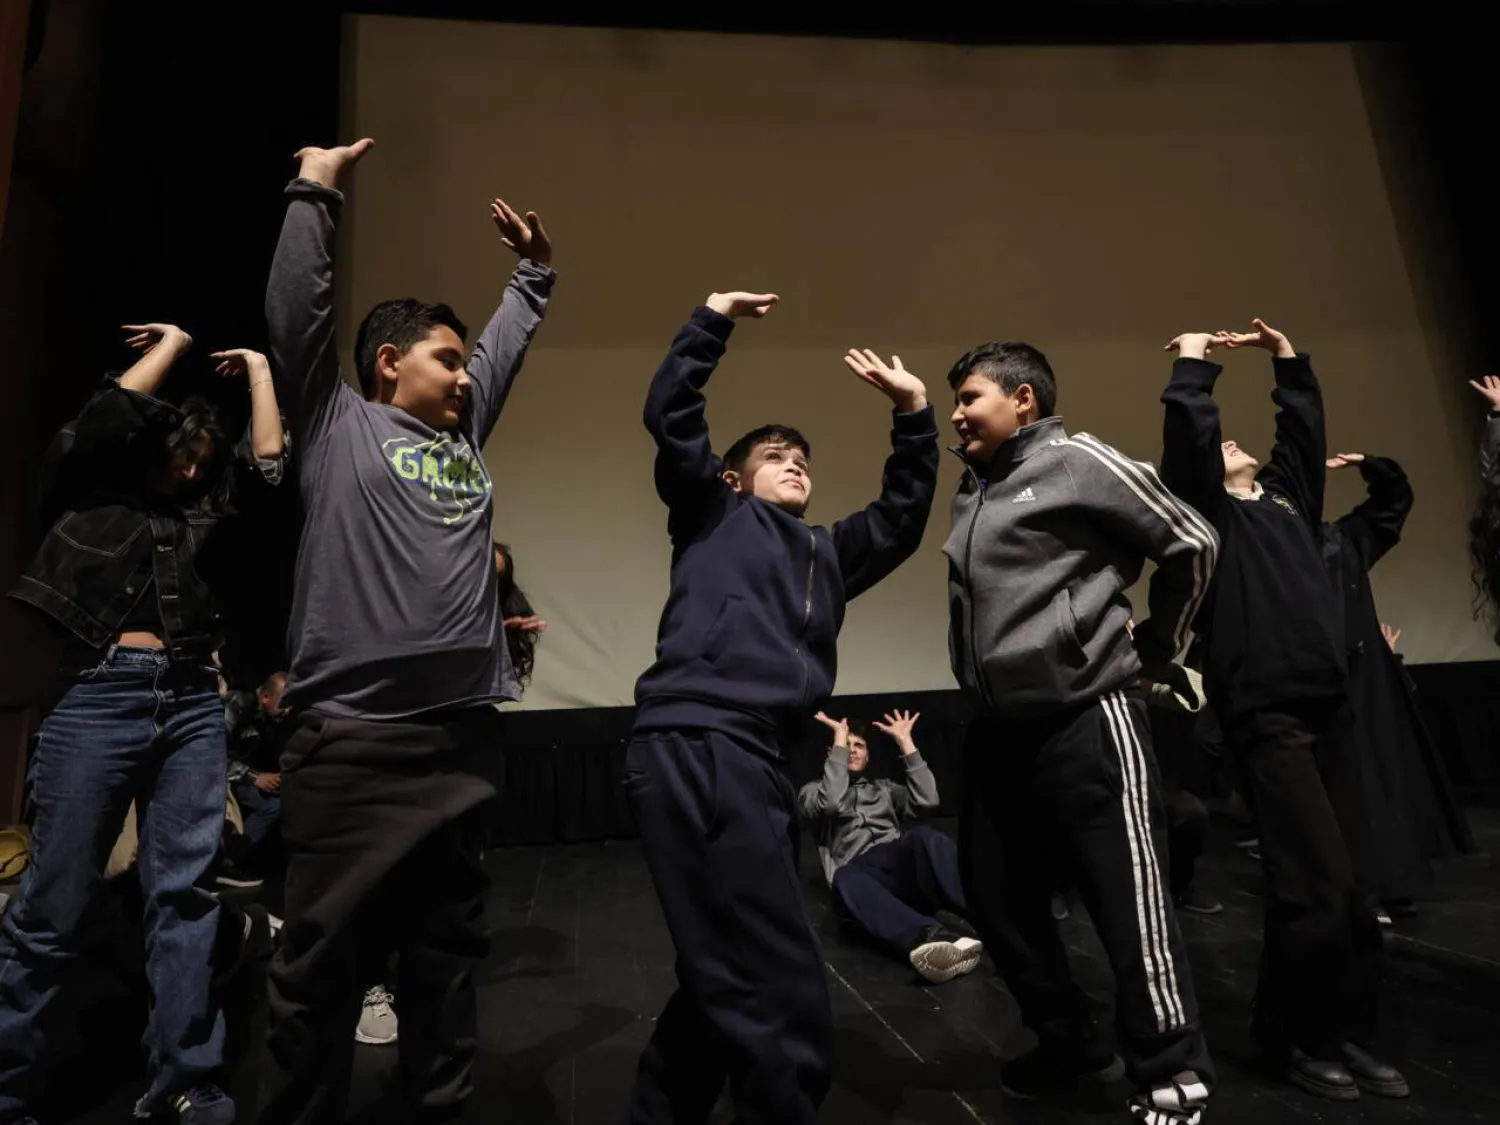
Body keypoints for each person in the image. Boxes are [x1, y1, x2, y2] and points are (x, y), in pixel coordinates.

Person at [258, 138, 556, 1125]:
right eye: (444, 358)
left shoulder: (464, 437)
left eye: (465, 363)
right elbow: (295, 316)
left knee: (444, 972)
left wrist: (536, 272)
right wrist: (316, 188)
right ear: (389, 363)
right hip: (353, 745)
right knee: (319, 980)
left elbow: (504, 349)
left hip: (460, 741)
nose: (465, 376)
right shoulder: (340, 425)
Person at [625, 292, 939, 1124]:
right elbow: (671, 412)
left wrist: (914, 415)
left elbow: (904, 519)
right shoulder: (711, 512)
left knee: (720, 962)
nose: (796, 462)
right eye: (775, 454)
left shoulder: (828, 553)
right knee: (774, 965)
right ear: (735, 477)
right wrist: (710, 319)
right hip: (692, 739)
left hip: (758, 754)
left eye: (803, 456)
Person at [0, 326, 286, 1125]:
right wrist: (176, 345)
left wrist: (260, 369)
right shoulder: (90, 489)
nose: (191, 469)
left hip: (193, 696)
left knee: (186, 896)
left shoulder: (200, 520)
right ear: (154, 448)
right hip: (99, 694)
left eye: (202, 460)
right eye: (181, 454)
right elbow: (111, 410)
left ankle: (185, 1077)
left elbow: (267, 468)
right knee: (53, 903)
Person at [944, 340, 1217, 1124]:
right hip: (998, 728)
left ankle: (1174, 1071)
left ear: (1023, 398)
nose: (957, 413)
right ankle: (1070, 1045)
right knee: (995, 900)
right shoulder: (975, 488)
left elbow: (1193, 542)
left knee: (1129, 897)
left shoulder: (1079, 458)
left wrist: (1160, 649)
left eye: (969, 397)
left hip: (1088, 713)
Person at [1161, 321, 1404, 1101]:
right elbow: (1188, 447)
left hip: (1328, 706)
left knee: (1359, 888)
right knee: (1317, 885)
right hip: (1265, 713)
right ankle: (1305, 1034)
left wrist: (1287, 354)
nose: (1233, 446)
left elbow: (1303, 431)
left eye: (1237, 443)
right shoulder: (1212, 519)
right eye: (1222, 445)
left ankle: (1348, 1031)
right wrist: (1195, 364)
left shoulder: (1290, 504)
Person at [356, 542, 548, 1051]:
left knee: (446, 880)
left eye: (497, 580)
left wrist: (492, 646)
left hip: (466, 750)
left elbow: (493, 693)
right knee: (384, 875)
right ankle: (370, 984)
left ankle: (423, 984)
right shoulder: (412, 604)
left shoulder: (500, 629)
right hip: (398, 747)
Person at [1320, 454, 1471, 920]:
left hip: (1363, 677)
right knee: (1337, 789)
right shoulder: (1265, 541)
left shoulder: (1337, 540)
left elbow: (1392, 502)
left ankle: (1388, 883)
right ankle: (1356, 891)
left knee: (1380, 778)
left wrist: (1372, 464)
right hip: (1312, 682)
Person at [799, 710, 981, 982]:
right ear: (832, 753)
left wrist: (907, 744)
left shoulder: (882, 789)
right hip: (861, 879)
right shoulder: (812, 792)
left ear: (868, 755)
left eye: (858, 746)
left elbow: (928, 801)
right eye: (845, 746)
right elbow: (831, 804)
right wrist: (839, 742)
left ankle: (991, 914)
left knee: (923, 837)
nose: (852, 751)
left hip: (896, 866)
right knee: (845, 877)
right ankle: (931, 939)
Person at [220, 671, 291, 889]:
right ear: (266, 697)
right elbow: (213, 754)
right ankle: (226, 860)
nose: (287, 711)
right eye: (283, 703)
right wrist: (254, 777)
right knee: (273, 806)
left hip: (245, 774)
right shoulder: (240, 705)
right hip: (224, 777)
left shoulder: (272, 720)